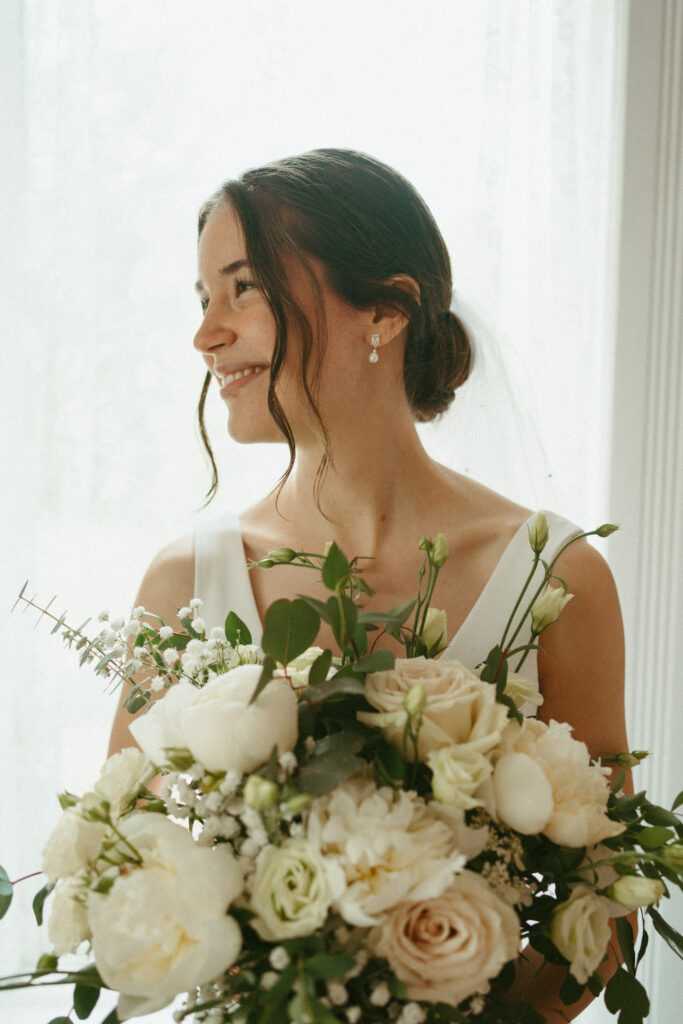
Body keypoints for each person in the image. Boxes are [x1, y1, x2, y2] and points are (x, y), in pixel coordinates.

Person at [108, 149, 629, 1021]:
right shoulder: (181, 583)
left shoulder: (554, 575)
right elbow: (124, 875)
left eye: (243, 289)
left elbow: (600, 908)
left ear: (383, 311)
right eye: (203, 300)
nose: (206, 335)